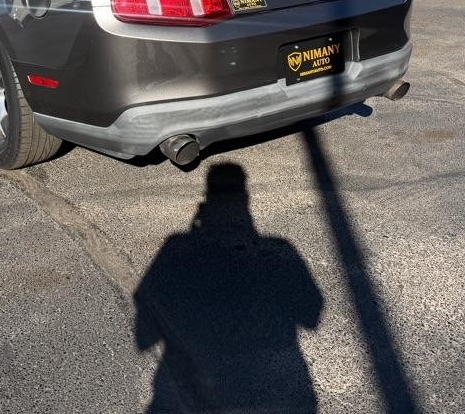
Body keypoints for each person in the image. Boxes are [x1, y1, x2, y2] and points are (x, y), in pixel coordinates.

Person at [134, 163, 323, 413]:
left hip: (199, 395)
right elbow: (310, 314)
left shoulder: (177, 248)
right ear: (245, 200)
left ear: (208, 200)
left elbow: (144, 335)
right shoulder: (278, 250)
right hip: (270, 393)